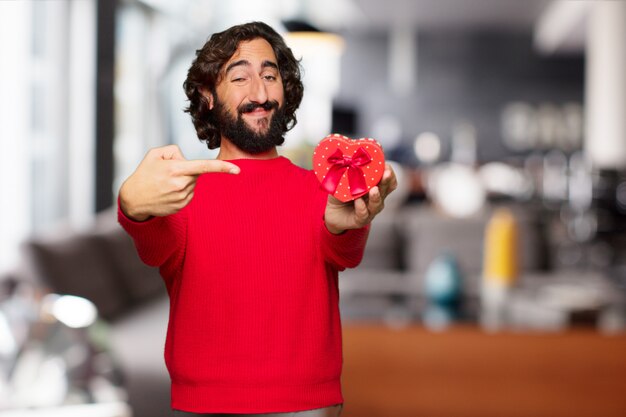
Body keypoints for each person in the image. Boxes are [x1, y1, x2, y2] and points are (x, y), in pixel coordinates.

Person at [118, 21, 397, 417]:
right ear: (208, 95)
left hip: (308, 407)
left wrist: (346, 222)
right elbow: (152, 246)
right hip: (205, 407)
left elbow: (345, 252)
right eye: (240, 77)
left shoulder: (321, 187)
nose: (261, 93)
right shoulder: (181, 191)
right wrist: (132, 206)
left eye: (270, 76)